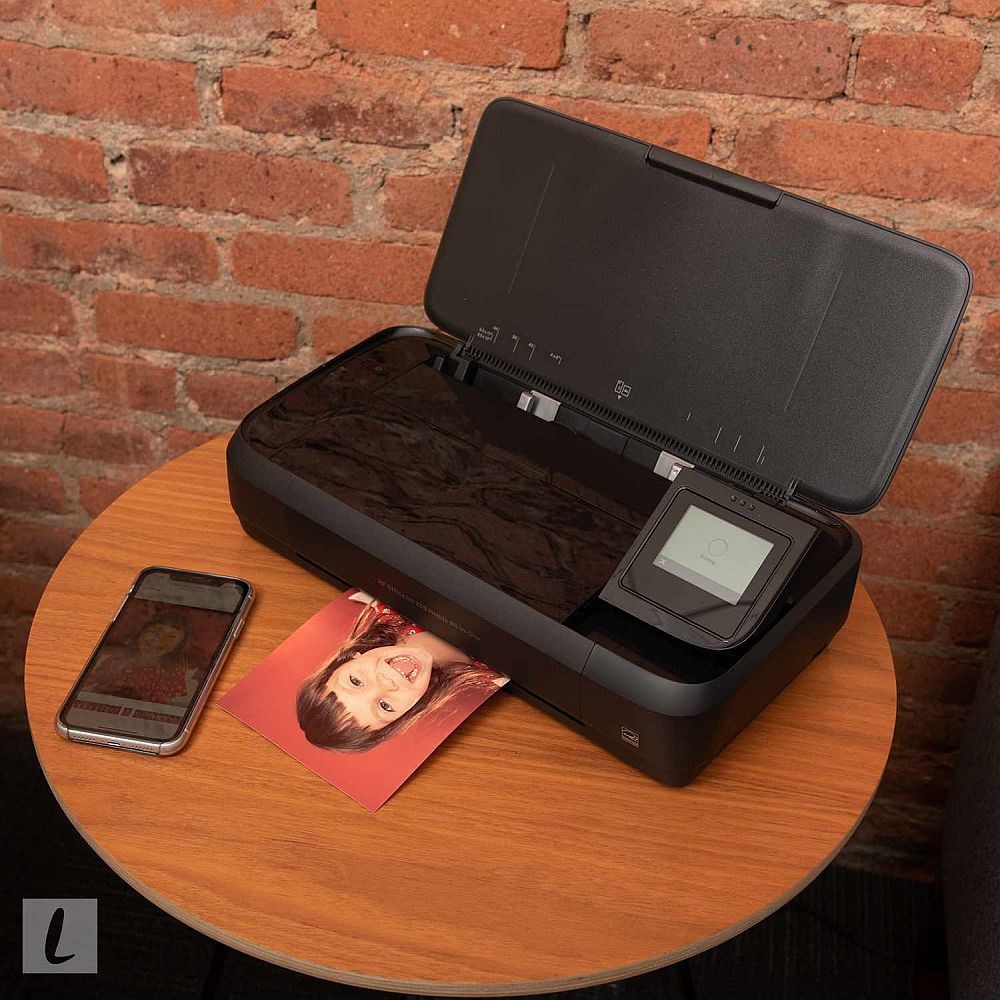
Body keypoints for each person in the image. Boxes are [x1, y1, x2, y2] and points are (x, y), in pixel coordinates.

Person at [296, 593, 503, 752]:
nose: (386, 683)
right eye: (384, 706)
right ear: (411, 708)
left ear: (351, 657)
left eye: (356, 681)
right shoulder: (494, 678)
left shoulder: (375, 599)